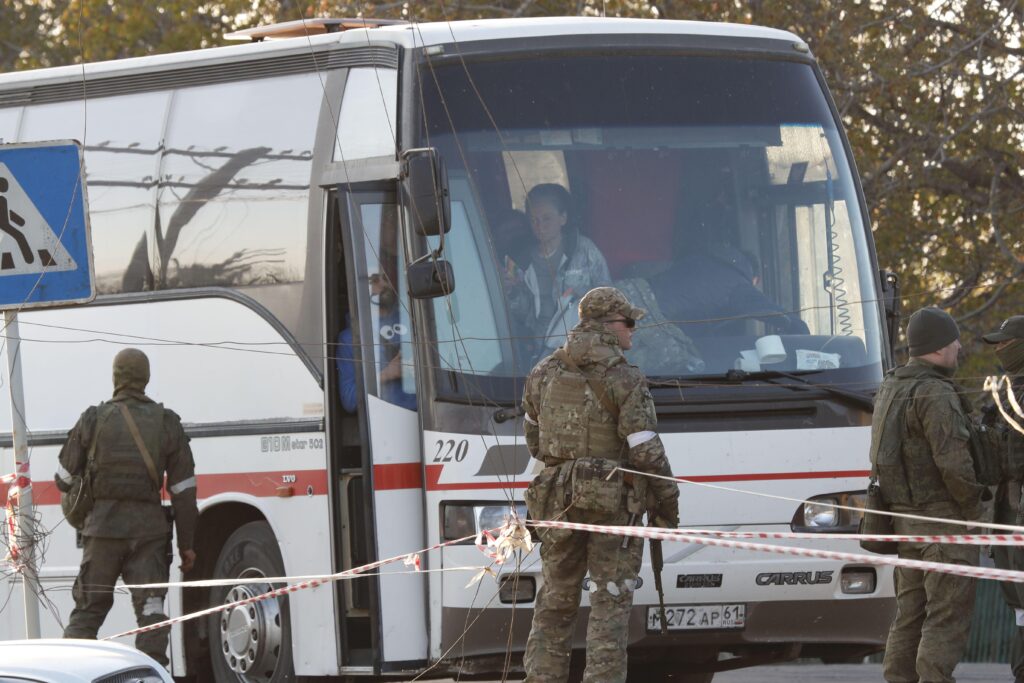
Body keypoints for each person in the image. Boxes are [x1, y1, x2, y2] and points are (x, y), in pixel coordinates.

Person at [521, 286, 680, 683]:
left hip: (556, 500)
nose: (632, 333)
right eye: (629, 324)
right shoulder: (624, 377)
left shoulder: (543, 371)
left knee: (555, 600)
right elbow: (645, 451)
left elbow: (536, 443)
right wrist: (667, 504)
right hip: (612, 503)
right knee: (610, 602)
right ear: (610, 325)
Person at [54, 348, 198, 667]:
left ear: (115, 377)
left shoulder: (92, 418)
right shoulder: (167, 422)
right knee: (152, 617)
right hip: (149, 536)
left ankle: (68, 673)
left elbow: (63, 479)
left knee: (87, 614)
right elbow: (184, 492)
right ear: (146, 378)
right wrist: (187, 545)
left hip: (101, 534)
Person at [872, 308, 988, 683]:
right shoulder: (935, 391)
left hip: (905, 522)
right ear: (938, 349)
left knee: (909, 616)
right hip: (943, 524)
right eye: (953, 340)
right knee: (945, 618)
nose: (958, 346)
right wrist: (977, 511)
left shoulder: (892, 384)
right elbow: (953, 462)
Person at [506, 184, 611, 358]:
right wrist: (512, 293)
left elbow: (608, 297)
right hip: (540, 347)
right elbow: (526, 314)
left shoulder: (584, 250)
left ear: (563, 218)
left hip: (582, 346)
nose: (540, 226)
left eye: (547, 218)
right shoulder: (523, 261)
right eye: (534, 220)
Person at [983, 315, 1024, 683]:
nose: (998, 350)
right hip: (1007, 512)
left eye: (1005, 343)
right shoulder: (1004, 392)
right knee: (1019, 605)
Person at [650, 242, 808, 337]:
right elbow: (767, 310)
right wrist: (798, 329)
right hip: (652, 322)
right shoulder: (737, 285)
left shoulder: (701, 256)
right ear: (755, 280)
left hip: (633, 295)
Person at [336, 273, 415, 413]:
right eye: (374, 280)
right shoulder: (349, 338)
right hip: (385, 418)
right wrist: (386, 374)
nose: (383, 285)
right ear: (360, 288)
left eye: (386, 278)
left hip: (427, 413)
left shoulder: (414, 320)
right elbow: (349, 399)